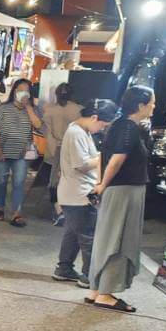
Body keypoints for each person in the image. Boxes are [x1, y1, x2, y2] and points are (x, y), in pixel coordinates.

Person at [87, 86, 156, 313]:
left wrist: (101, 185)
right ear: (140, 105)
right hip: (125, 190)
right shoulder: (130, 128)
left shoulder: (118, 124)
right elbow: (116, 160)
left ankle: (97, 288)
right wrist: (103, 185)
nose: (154, 106)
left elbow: (103, 158)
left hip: (116, 189)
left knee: (107, 236)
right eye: (151, 103)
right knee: (119, 238)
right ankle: (105, 293)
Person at [52, 100, 115, 286]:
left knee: (73, 234)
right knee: (88, 236)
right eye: (102, 125)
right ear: (94, 117)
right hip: (79, 194)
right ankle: (89, 275)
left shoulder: (79, 131)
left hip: (73, 193)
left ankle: (64, 269)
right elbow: (82, 165)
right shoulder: (76, 133)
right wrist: (103, 157)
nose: (101, 129)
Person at [0, 78, 43, 225]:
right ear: (14, 91)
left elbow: (38, 125)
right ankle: (0, 208)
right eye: (20, 90)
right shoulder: (3, 108)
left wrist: (29, 108)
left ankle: (16, 212)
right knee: (1, 181)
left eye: (26, 90)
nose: (23, 93)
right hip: (3, 151)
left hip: (22, 153)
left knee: (18, 182)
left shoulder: (31, 109)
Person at [40, 81, 80, 224]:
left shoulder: (50, 111)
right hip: (74, 149)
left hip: (57, 148)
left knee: (54, 181)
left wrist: (52, 148)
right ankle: (69, 211)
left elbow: (46, 131)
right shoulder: (79, 110)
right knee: (72, 181)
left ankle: (59, 211)